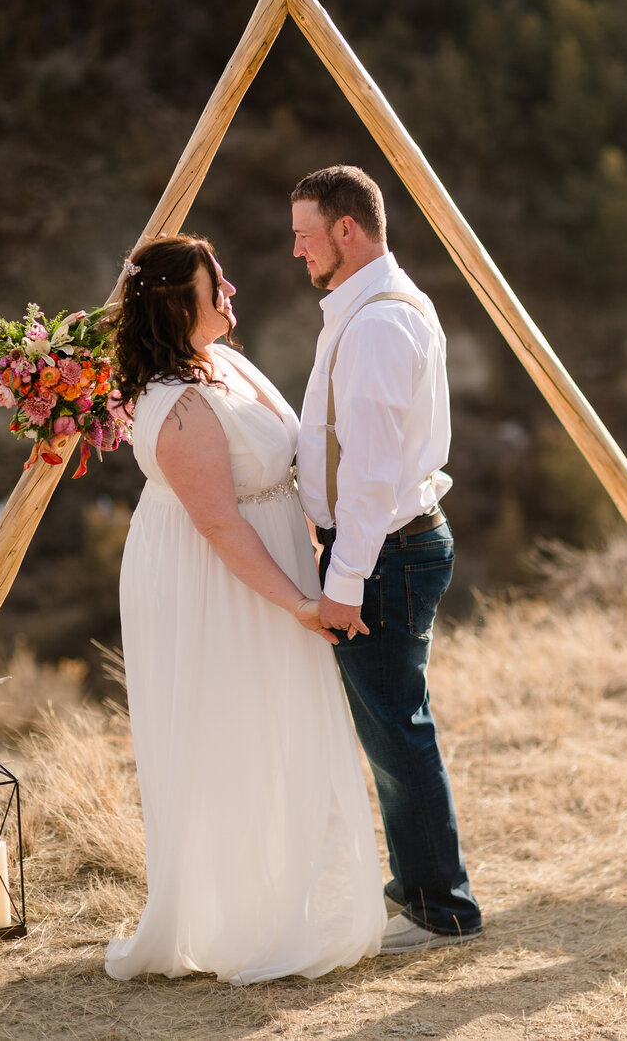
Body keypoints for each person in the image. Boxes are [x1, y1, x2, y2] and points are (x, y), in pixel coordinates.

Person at [104, 234, 385, 985]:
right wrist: (297, 599)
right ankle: (239, 922)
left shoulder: (220, 362)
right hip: (216, 578)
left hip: (266, 559)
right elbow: (219, 521)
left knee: (280, 722)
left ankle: (282, 899)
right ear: (174, 302)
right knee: (232, 728)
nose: (231, 288)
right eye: (213, 281)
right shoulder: (179, 403)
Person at [292, 166, 482, 954]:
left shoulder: (373, 323)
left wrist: (344, 581)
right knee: (393, 728)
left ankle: (443, 911)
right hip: (391, 547)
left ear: (346, 230)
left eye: (305, 234)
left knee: (399, 732)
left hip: (386, 554)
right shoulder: (370, 308)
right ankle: (419, 892)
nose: (296, 250)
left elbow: (368, 476)